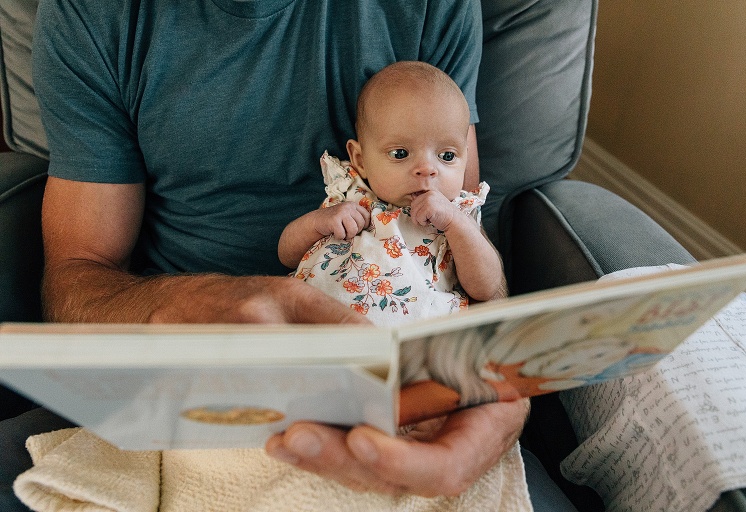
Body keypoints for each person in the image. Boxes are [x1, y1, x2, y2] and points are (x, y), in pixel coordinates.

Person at [0, 0, 576, 509]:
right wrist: (181, 307)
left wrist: (498, 395)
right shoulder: (94, 15)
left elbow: (465, 263)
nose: (425, 167)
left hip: (415, 387)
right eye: (402, 153)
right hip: (197, 385)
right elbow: (78, 273)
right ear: (356, 153)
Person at [279, 61, 506, 327]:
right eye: (400, 154)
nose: (427, 170)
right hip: (321, 331)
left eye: (447, 156)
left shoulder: (457, 215)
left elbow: (485, 288)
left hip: (417, 340)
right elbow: (287, 255)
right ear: (360, 159)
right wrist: (319, 222)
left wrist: (455, 224)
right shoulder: (350, 193)